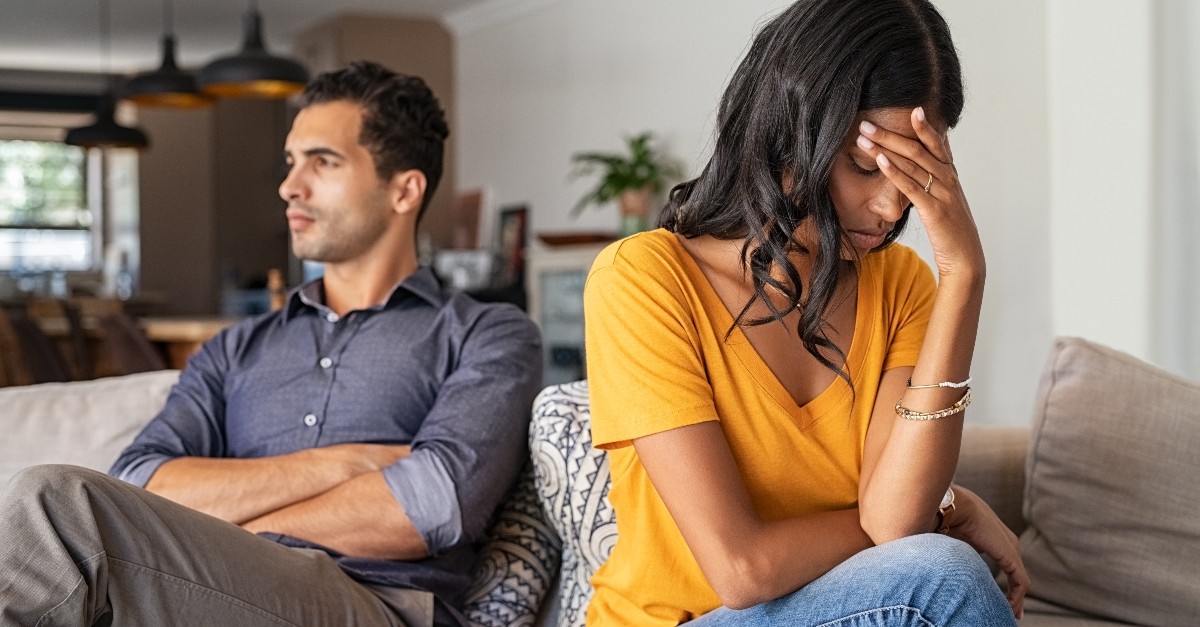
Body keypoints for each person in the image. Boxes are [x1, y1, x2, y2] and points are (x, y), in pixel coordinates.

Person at [0, 61, 542, 627]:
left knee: (56, 503)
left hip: (379, 604)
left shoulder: (489, 334)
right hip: (214, 589)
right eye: (291, 162)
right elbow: (140, 481)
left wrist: (205, 530)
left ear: (404, 190)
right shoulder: (235, 349)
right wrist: (343, 465)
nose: (289, 186)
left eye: (322, 161)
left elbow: (429, 505)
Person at [583, 1, 1029, 625]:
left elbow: (893, 522)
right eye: (864, 166)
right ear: (786, 131)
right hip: (678, 620)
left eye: (916, 173)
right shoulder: (645, 280)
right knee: (945, 577)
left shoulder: (900, 285)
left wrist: (965, 274)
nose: (889, 206)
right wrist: (950, 510)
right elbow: (742, 570)